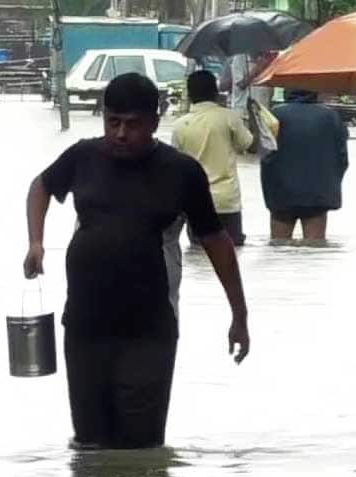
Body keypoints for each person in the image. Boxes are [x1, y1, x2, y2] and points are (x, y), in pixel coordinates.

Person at [23, 73, 250, 450]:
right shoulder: (83, 156)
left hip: (151, 329)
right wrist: (36, 242)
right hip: (84, 325)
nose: (121, 134)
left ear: (155, 122)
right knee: (89, 445)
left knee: (141, 449)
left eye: (133, 124)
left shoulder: (181, 172)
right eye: (113, 122)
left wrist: (239, 315)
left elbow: (217, 242)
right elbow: (41, 186)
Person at [173, 71, 254, 246]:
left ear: (190, 94)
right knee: (231, 254)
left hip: (194, 201)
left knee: (199, 252)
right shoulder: (229, 117)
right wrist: (252, 114)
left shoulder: (180, 125)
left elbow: (174, 167)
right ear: (215, 92)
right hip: (227, 201)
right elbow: (247, 145)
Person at [261, 89, 349, 242]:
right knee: (314, 249)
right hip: (318, 195)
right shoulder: (331, 117)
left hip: (280, 194)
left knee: (278, 248)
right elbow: (342, 159)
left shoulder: (273, 116)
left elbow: (264, 154)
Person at [222, 51, 277, 119]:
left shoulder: (270, 57)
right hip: (243, 113)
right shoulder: (239, 58)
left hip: (263, 112)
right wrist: (257, 68)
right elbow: (241, 85)